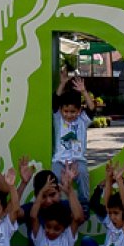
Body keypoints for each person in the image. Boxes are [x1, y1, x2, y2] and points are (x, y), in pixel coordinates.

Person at [26, 162, 86, 246]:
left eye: (52, 195)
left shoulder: (67, 235)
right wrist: (41, 192)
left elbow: (78, 218)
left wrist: (70, 191)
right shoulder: (41, 233)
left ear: (64, 227)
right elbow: (33, 217)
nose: (51, 231)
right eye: (48, 227)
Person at [52, 71, 96, 207]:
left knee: (83, 174)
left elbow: (91, 108)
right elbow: (55, 100)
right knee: (54, 178)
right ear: (61, 110)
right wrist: (62, 83)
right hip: (59, 160)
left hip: (77, 159)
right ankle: (55, 203)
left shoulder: (82, 120)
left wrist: (84, 91)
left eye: (73, 112)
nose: (69, 115)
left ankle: (84, 203)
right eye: (66, 111)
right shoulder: (58, 118)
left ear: (79, 111)